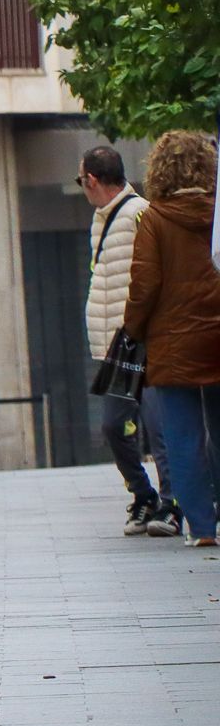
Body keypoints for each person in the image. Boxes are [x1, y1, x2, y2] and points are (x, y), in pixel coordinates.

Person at [123, 130, 220, 548]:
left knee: (182, 435)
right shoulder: (217, 213)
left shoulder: (155, 219)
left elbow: (144, 285)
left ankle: (201, 526)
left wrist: (132, 330)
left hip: (173, 339)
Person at [80, 146, 179, 536]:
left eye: (81, 180)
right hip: (116, 347)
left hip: (144, 341)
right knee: (113, 425)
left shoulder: (140, 213)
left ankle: (171, 504)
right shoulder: (100, 219)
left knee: (158, 427)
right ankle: (143, 495)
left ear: (91, 180)